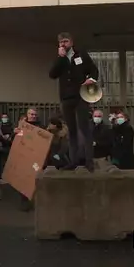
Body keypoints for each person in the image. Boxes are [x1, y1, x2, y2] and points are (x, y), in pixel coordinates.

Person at [49, 32, 99, 171]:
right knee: (71, 131)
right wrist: (60, 57)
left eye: (65, 41)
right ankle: (73, 161)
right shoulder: (61, 59)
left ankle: (89, 162)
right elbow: (52, 74)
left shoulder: (81, 55)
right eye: (61, 42)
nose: (63, 44)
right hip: (66, 97)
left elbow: (94, 70)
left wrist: (91, 80)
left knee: (84, 128)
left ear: (71, 42)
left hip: (81, 97)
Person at [0, 113, 13, 183]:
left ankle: (6, 176)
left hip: (6, 146)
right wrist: (3, 137)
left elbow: (11, 135)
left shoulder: (9, 126)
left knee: (6, 162)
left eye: (5, 117)